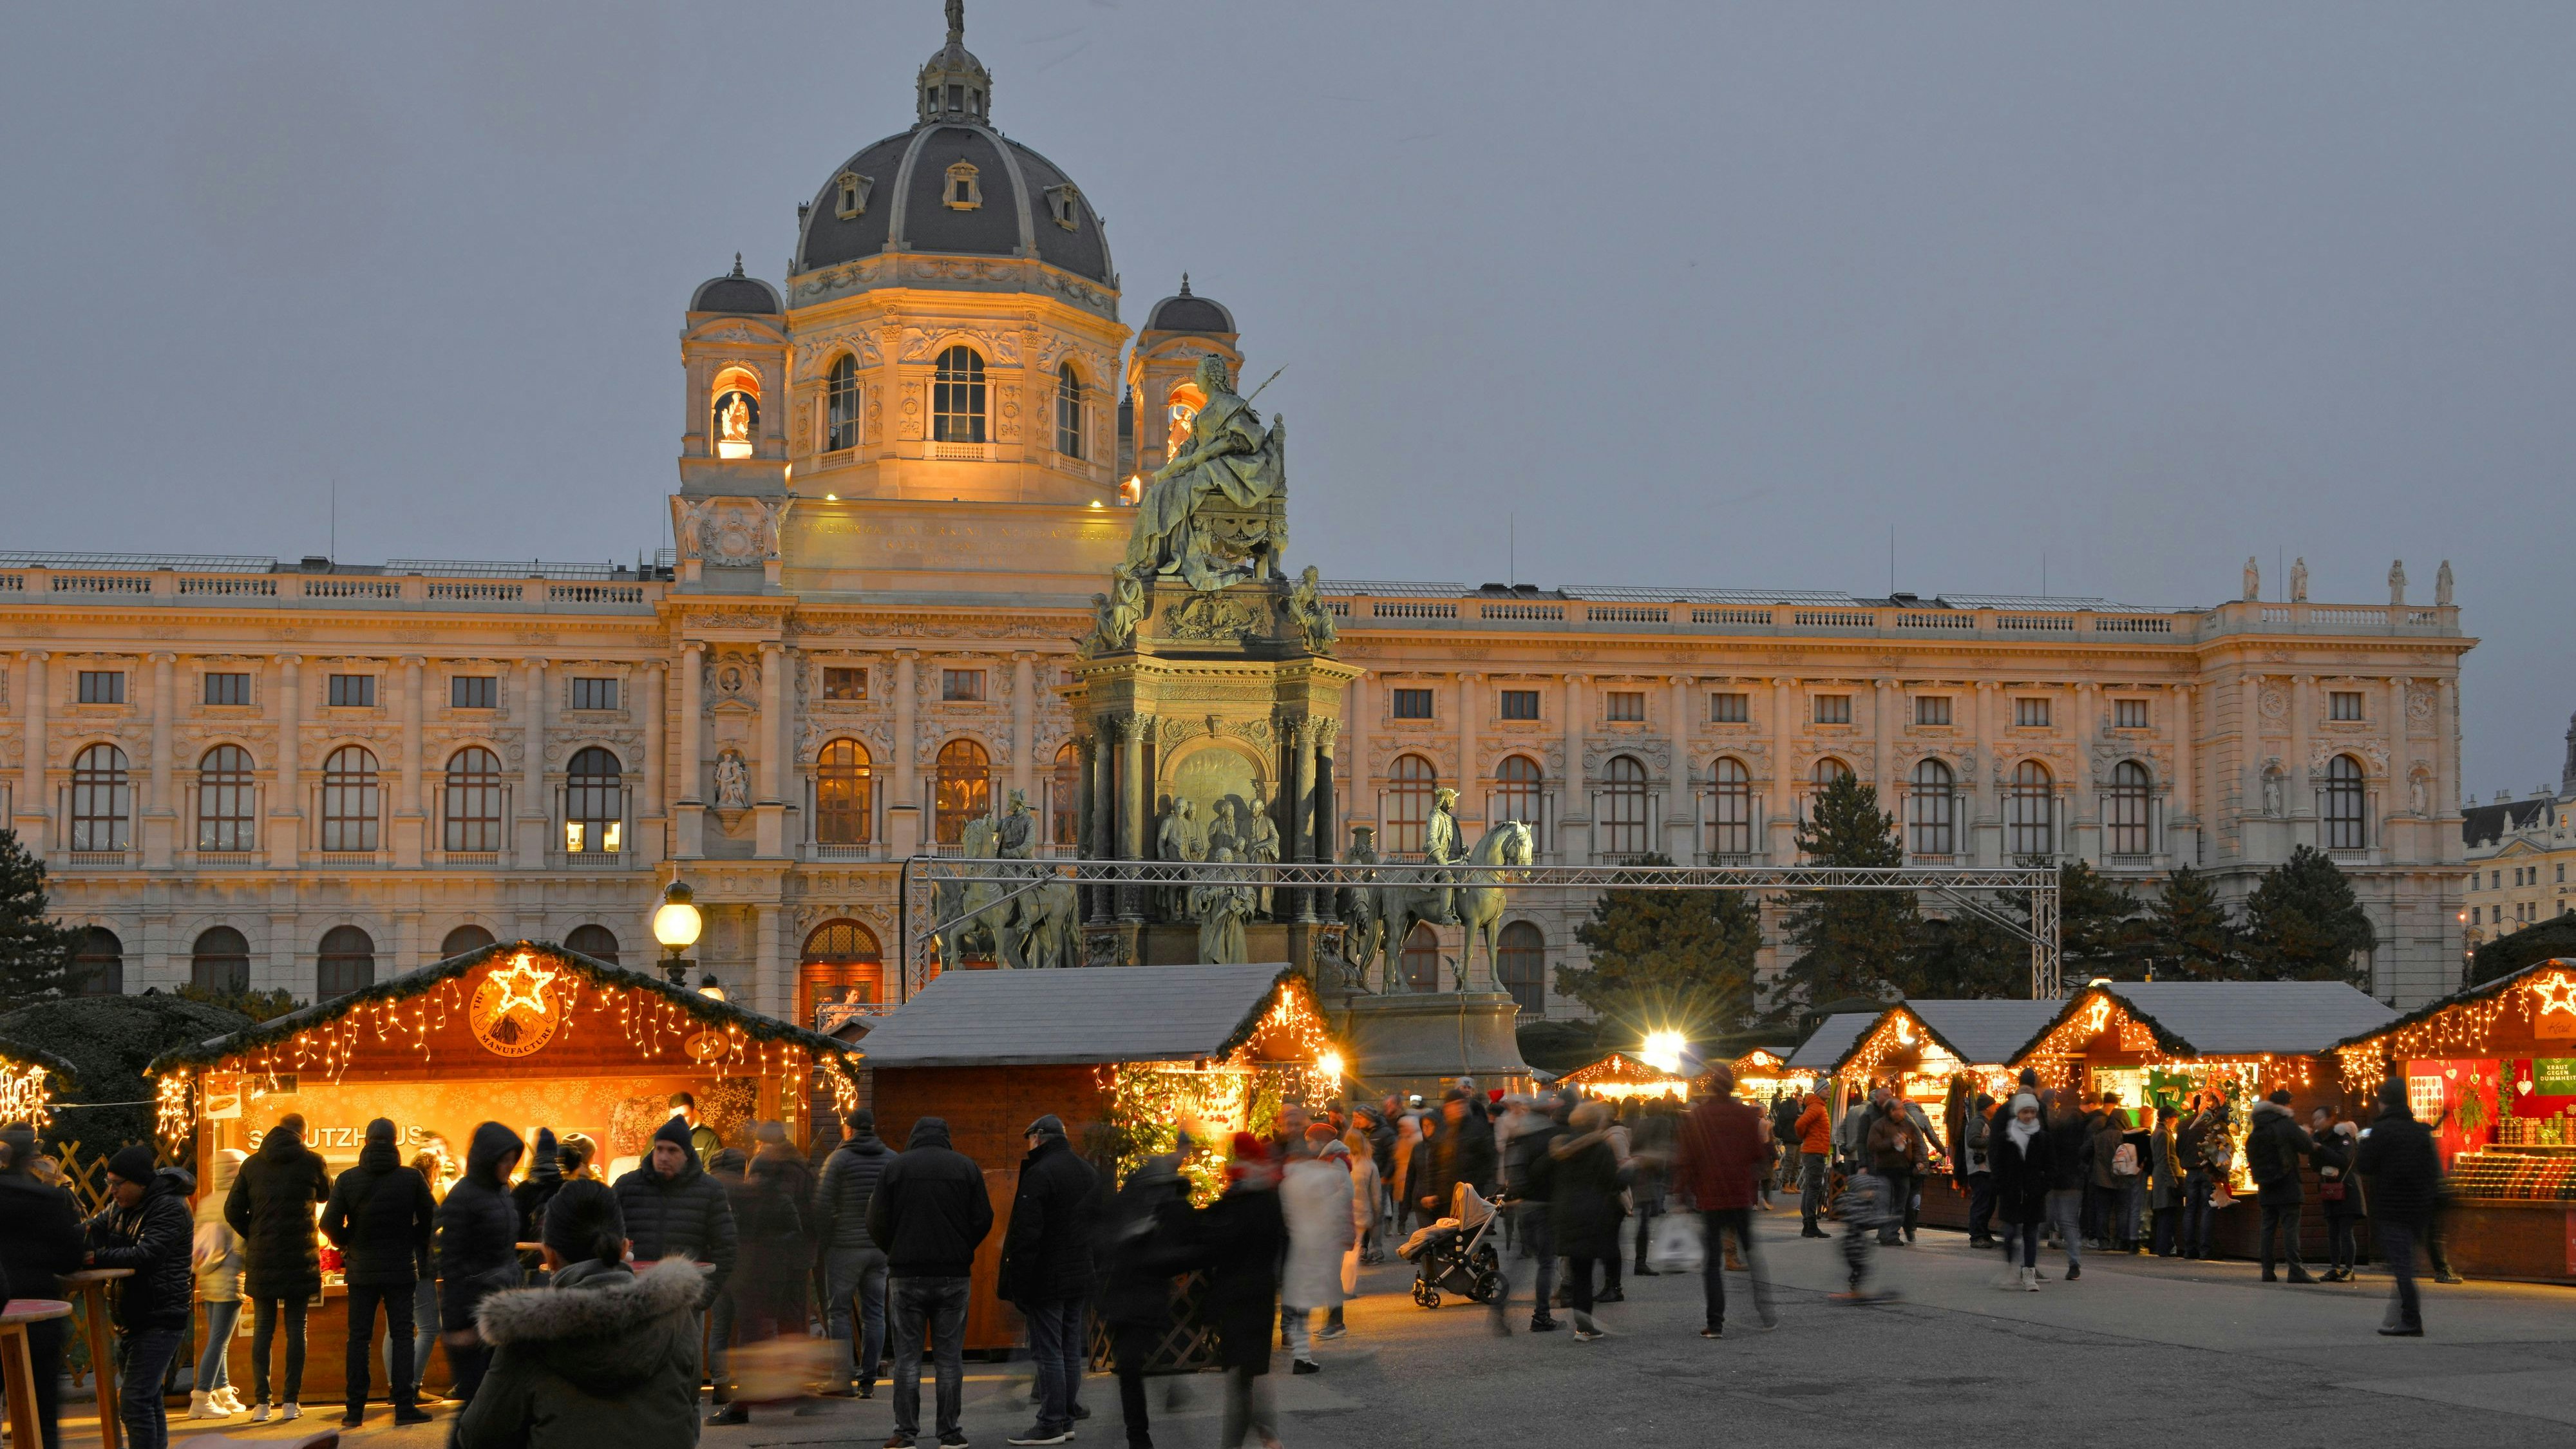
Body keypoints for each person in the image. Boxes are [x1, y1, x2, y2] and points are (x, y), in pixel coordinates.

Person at [454, 1181, 705, 1449]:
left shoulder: (528, 1333)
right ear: (624, 1249)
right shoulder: (676, 1317)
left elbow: (477, 1437)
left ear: (549, 1256)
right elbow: (690, 1415)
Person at [868, 1116, 995, 1449]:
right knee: (949, 1359)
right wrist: (962, 1248)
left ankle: (906, 1433)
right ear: (946, 1137)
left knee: (908, 1359)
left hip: (907, 1276)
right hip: (954, 1276)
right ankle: (950, 1433)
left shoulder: (896, 1168)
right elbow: (984, 1217)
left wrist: (895, 1250)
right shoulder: (966, 1168)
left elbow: (875, 1220)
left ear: (913, 1137)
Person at [320, 1117, 438, 1426]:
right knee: (403, 1335)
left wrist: (348, 1243)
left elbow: (328, 1224)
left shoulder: (347, 1179)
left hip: (361, 1269)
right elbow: (431, 1218)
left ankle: (355, 1411)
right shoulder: (411, 1178)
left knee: (358, 1338)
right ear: (395, 1141)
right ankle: (404, 1406)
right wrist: (413, 1239)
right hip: (401, 1266)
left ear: (367, 1141)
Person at [85, 1146, 195, 1449]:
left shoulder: (170, 1207)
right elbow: (90, 1230)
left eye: (118, 1183)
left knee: (135, 1403)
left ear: (141, 1183)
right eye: (109, 1183)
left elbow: (146, 1255)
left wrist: (95, 1258)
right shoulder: (121, 1207)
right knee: (148, 1400)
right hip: (131, 1316)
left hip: (160, 1316)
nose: (113, 1191)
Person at [226, 1112, 332, 1421]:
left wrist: (256, 1234)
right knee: (297, 1328)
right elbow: (326, 1193)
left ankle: (261, 1404)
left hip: (263, 1257)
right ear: (303, 1133)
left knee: (263, 1328)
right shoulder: (313, 1161)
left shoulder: (252, 1163)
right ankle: (290, 1402)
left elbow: (232, 1209)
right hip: (300, 1257)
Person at [1000, 1115, 1099, 1445]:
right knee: (1071, 1350)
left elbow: (1027, 1235)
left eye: (1030, 1139)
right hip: (1080, 1274)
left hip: (1047, 1277)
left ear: (1040, 1137)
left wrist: (1020, 1283)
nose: (1029, 1145)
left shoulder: (1041, 1174)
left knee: (1049, 1352)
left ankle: (1051, 1423)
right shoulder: (1087, 1172)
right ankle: (1067, 1418)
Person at [1190, 1135, 1286, 1449]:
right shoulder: (1272, 1199)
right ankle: (1265, 1431)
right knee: (1250, 1369)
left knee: (1239, 1373)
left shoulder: (1233, 1204)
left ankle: (1238, 1440)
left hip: (1234, 1294)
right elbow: (1283, 1242)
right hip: (1261, 1291)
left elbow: (1213, 1245)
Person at [0, 1123, 88, 1449]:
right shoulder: (49, 1199)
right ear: (31, 1158)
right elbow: (70, 1257)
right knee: (41, 1414)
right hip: (40, 1313)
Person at [1671, 1064, 1775, 1338]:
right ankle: (1765, 1312)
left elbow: (1687, 1158)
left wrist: (1681, 1195)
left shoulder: (1699, 1116)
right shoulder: (1745, 1115)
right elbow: (1758, 1154)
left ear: (1709, 1087)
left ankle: (1715, 1323)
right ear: (1732, 1087)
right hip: (1739, 1193)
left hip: (1711, 1195)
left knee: (1712, 1262)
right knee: (1751, 1251)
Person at [1097, 1150, 1191, 1449]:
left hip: (1134, 1298)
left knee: (1130, 1368)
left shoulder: (1151, 1208)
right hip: (1134, 1298)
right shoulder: (1144, 1208)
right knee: (1130, 1368)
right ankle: (1140, 1432)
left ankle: (1138, 1435)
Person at [440, 1122, 529, 1408]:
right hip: (473, 1315)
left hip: (500, 1309)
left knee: (500, 1401)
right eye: (502, 1160)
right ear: (487, 1159)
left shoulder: (503, 1193)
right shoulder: (462, 1198)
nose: (508, 1166)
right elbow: (451, 1263)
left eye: (511, 1160)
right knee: (477, 1405)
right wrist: (456, 1325)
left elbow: (506, 1252)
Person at [815, 1108, 895, 1398]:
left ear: (848, 1129)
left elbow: (822, 1205)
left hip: (845, 1248)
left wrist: (824, 1242)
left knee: (838, 1311)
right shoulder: (891, 1160)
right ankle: (869, 1379)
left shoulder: (838, 1160)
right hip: (879, 1249)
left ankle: (841, 1379)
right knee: (874, 1312)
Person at [1537, 1101, 1628, 1342]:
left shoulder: (1559, 1146)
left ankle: (1583, 1325)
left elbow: (1539, 1173)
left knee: (1579, 1272)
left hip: (1566, 1213)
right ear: (1597, 1122)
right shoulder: (1601, 1149)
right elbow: (1615, 1182)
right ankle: (1585, 1326)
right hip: (1594, 1215)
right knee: (1586, 1271)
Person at [2356, 1079, 2439, 1336]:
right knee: (2404, 1262)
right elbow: (2432, 1170)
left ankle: (2411, 1320)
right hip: (2418, 1206)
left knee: (2402, 1266)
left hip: (2391, 1205)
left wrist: (2363, 1143)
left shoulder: (2381, 1131)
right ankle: (2397, 1316)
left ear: (2383, 1102)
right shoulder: (2420, 1132)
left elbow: (2365, 1166)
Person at [1274, 1125, 1354, 1374]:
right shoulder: (1320, 1174)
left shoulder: (1287, 1181)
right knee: (1308, 1302)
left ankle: (1303, 1355)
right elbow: (1342, 1197)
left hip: (1297, 1244)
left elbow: (1286, 1214)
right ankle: (1304, 1356)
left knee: (1298, 1301)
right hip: (1318, 1243)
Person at [188, 1147, 248, 1420]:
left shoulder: (207, 1201)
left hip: (208, 1275)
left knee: (216, 1337)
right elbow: (241, 1242)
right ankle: (201, 1397)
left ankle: (223, 1391)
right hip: (230, 1276)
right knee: (219, 1341)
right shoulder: (240, 1202)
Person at [388, 1150, 446, 1406]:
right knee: (430, 1326)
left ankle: (395, 1388)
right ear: (432, 1173)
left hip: (393, 1266)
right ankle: (412, 1386)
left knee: (395, 1328)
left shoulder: (397, 1190)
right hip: (419, 1267)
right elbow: (433, 1225)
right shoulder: (423, 1194)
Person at [2247, 1088, 2317, 1283]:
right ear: (2286, 1105)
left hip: (2265, 1184)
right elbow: (2307, 1146)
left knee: (2268, 1228)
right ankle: (2295, 1270)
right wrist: (2305, 1133)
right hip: (2287, 1183)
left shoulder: (2258, 1126)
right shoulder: (2286, 1124)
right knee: (2290, 1228)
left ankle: (2267, 1270)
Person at [1989, 1095, 2052, 1291]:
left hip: (2034, 1194)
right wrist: (2002, 1185)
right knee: (2009, 1233)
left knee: (2031, 1235)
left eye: (2032, 1112)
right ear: (2018, 1113)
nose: (2029, 1115)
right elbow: (1997, 1163)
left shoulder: (2042, 1137)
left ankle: (2029, 1274)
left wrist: (2042, 1186)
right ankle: (2010, 1268)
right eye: (2025, 1112)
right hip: (2011, 1192)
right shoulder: (2006, 1137)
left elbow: (2051, 1166)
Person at [1866, 1094, 1926, 1249]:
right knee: (1885, 1204)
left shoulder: (1909, 1126)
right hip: (1884, 1171)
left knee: (1900, 1205)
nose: (1904, 1112)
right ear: (1892, 1111)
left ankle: (1892, 1234)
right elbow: (1872, 1145)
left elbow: (1917, 1145)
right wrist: (1892, 1142)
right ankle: (1886, 1234)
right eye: (1900, 1109)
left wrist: (1919, 1161)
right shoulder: (1879, 1125)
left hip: (1903, 1170)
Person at [2041, 1097, 2090, 1281]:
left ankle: (2028, 1263)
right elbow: (2085, 1150)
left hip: (2055, 1180)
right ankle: (2074, 1263)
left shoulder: (2055, 1127)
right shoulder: (2081, 1125)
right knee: (2069, 1223)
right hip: (2073, 1180)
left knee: (2044, 1220)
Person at [2311, 1109, 2362, 1282]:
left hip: (2347, 1188)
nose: (2316, 1122)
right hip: (2329, 1188)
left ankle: (2349, 1269)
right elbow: (2314, 1164)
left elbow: (2343, 1160)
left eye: (2319, 1118)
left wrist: (2322, 1150)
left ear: (2330, 1119)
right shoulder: (2317, 1138)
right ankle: (2335, 1268)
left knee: (2346, 1231)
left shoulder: (2344, 1135)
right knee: (2332, 1231)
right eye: (2314, 1119)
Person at [511, 1128, 567, 1275]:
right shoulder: (568, 1188)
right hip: (562, 1265)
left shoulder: (522, 1190)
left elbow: (513, 1229)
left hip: (525, 1264)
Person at [2087, 1094, 2129, 1251]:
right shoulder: (2126, 1137)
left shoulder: (2099, 1136)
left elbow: (2085, 1152)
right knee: (2122, 1211)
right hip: (2122, 1178)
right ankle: (2120, 1241)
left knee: (2102, 1211)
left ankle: (2103, 1242)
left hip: (2101, 1178)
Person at [1793, 1085, 1832, 1238]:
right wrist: (1804, 1136)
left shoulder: (1817, 1106)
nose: (1829, 1091)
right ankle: (1811, 1225)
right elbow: (1799, 1124)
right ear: (1818, 1092)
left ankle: (1808, 1225)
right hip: (1814, 1151)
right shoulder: (1817, 1107)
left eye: (1829, 1088)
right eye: (1825, 1089)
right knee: (1814, 1188)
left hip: (1813, 1150)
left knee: (1811, 1188)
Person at [2148, 1107, 2186, 1256]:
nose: (2176, 1121)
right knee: (2167, 1214)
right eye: (2175, 1118)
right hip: (2166, 1178)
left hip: (2162, 1177)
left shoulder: (2160, 1132)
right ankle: (2165, 1247)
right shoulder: (2163, 1134)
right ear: (2168, 1118)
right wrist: (2172, 1180)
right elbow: (2164, 1159)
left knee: (2165, 1214)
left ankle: (2164, 1246)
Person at [1961, 1094, 1997, 1248]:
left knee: (1989, 1204)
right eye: (1994, 1105)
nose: (1996, 1107)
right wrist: (1993, 1141)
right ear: (1988, 1107)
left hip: (1986, 1169)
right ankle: (1977, 1236)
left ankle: (1984, 1233)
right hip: (1980, 1169)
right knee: (1981, 1204)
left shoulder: (1984, 1122)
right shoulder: (1978, 1122)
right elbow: (1973, 1140)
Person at [668, 1093, 722, 1164]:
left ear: (693, 1113)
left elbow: (715, 1173)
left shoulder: (709, 1140)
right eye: (673, 1116)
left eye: (684, 1116)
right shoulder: (656, 1139)